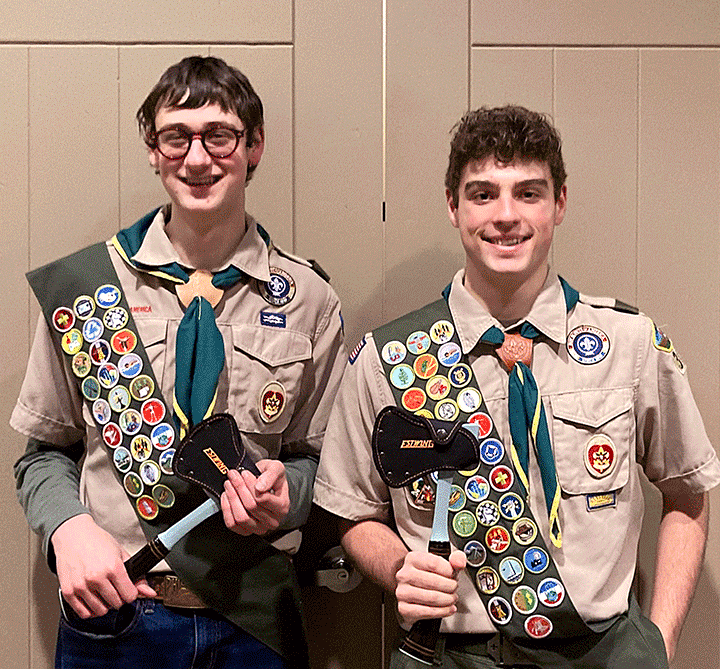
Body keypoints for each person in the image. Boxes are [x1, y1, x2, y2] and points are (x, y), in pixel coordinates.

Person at [314, 105, 720, 668]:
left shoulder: (630, 344)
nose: (506, 216)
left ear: (560, 202)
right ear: (453, 206)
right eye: (483, 194)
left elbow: (688, 493)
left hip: (603, 652)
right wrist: (397, 567)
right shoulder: (388, 358)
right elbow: (353, 512)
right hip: (449, 654)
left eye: (528, 193)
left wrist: (661, 640)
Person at [12, 55, 346, 669]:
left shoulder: (309, 300)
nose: (197, 159)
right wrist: (68, 530)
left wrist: (286, 496)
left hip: (252, 622)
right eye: (176, 137)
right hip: (115, 619)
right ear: (153, 148)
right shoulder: (87, 291)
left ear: (255, 147)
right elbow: (41, 458)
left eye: (219, 135)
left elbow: (321, 467)